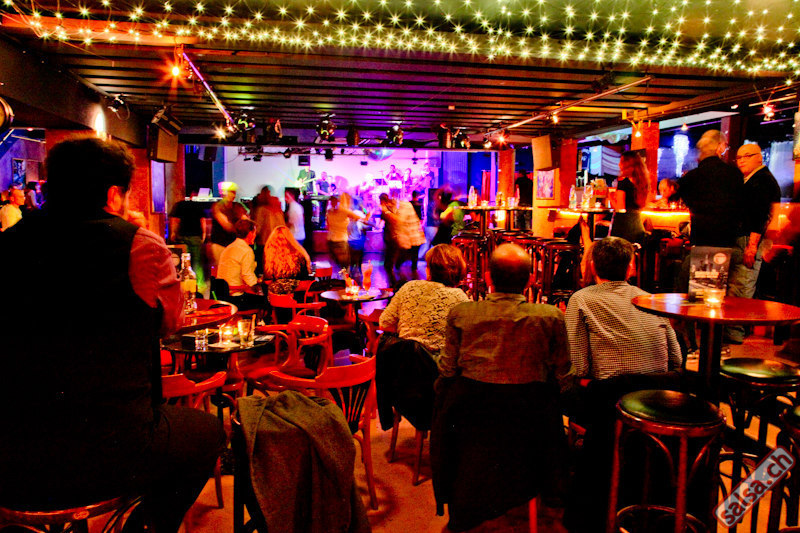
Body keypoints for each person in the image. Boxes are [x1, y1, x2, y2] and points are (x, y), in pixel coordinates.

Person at [0, 137, 225, 532]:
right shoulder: (139, 245)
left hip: (13, 454)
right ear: (113, 193)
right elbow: (171, 323)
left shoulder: (7, 243)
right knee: (208, 432)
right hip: (110, 449)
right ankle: (147, 526)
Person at [432, 243, 572, 531]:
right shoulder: (551, 317)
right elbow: (564, 375)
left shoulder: (461, 313)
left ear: (487, 277)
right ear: (531, 280)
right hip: (530, 424)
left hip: (472, 421)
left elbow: (447, 370)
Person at [566, 237, 682, 380]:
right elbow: (676, 359)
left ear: (592, 267)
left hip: (611, 388)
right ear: (630, 269)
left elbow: (579, 367)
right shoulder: (651, 300)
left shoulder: (581, 299)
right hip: (659, 386)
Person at [725, 143, 782, 344]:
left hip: (750, 240)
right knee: (738, 286)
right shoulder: (752, 179)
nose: (741, 161)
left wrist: (752, 246)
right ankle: (733, 331)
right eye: (739, 157)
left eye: (747, 156)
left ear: (759, 157)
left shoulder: (762, 180)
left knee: (741, 286)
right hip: (746, 239)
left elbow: (759, 216)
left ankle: (734, 333)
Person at [380, 244, 469, 357]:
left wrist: (411, 329)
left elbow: (384, 323)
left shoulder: (410, 287)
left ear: (429, 270)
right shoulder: (459, 297)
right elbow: (468, 338)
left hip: (404, 362)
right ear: (460, 270)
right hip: (439, 365)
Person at [677, 130, 743, 248]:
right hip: (727, 237)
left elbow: (679, 196)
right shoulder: (734, 174)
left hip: (700, 236)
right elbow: (740, 205)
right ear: (720, 147)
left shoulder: (691, 177)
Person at [169, 189, 210, 293]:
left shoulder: (179, 205)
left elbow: (175, 221)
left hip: (182, 236)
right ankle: (199, 284)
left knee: (184, 262)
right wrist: (204, 234)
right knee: (197, 261)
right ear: (194, 194)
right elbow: (203, 221)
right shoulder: (198, 205)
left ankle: (184, 284)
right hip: (196, 236)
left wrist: (173, 233)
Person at [380, 193, 426, 286]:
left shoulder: (404, 205)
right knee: (397, 264)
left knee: (397, 264)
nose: (391, 200)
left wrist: (385, 211)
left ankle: (400, 285)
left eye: (392, 197)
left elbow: (399, 220)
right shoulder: (398, 207)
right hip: (406, 239)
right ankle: (399, 284)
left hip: (411, 239)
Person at [217, 218, 263, 310]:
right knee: (266, 301)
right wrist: (259, 287)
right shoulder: (246, 250)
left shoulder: (229, 248)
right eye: (254, 232)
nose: (255, 235)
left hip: (222, 296)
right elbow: (247, 275)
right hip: (236, 298)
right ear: (250, 234)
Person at [610, 151, 650, 244]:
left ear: (627, 164)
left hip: (623, 226)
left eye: (621, 162)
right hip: (637, 225)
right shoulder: (643, 183)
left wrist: (610, 197)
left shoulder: (623, 182)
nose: (619, 164)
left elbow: (620, 209)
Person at [209, 182, 248, 275]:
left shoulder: (237, 206)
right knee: (221, 271)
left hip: (233, 244)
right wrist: (240, 227)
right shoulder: (218, 206)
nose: (233, 195)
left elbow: (246, 220)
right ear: (223, 193)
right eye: (230, 192)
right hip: (220, 244)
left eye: (234, 192)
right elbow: (226, 226)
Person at [262, 225, 312, 295]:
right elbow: (305, 276)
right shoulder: (299, 255)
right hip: (297, 295)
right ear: (291, 239)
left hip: (275, 298)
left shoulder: (268, 256)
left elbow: (267, 280)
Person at [326, 193, 368, 270]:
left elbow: (327, 226)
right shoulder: (344, 211)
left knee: (336, 266)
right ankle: (345, 277)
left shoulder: (329, 211)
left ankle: (338, 276)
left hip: (330, 241)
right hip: (340, 241)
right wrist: (369, 213)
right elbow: (363, 219)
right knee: (344, 266)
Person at [251, 185, 285, 273]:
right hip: (278, 243)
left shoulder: (261, 210)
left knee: (264, 269)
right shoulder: (278, 208)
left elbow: (258, 228)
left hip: (264, 243)